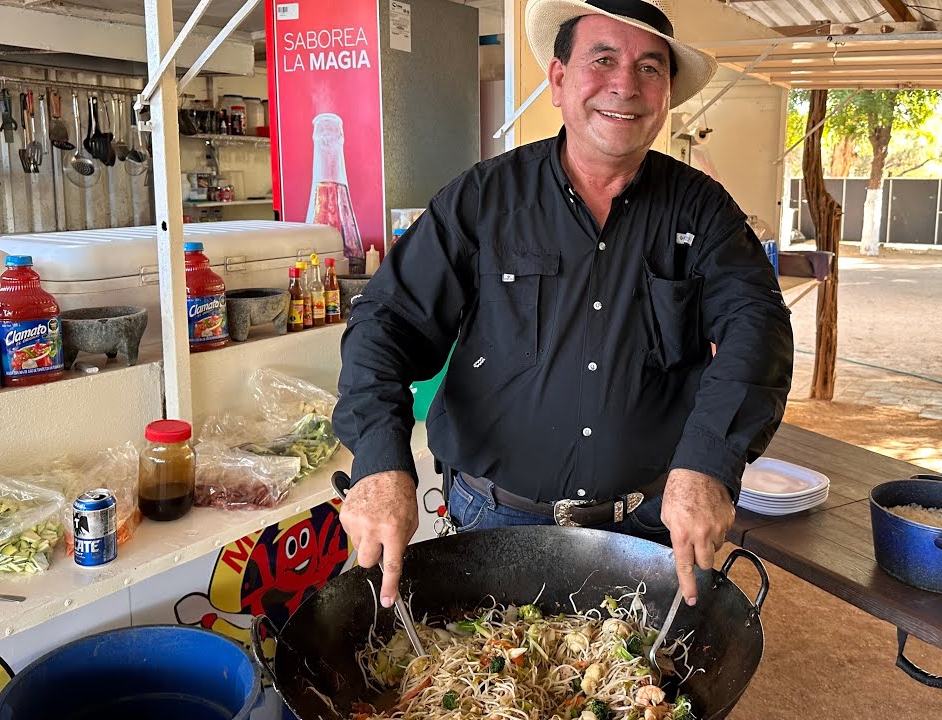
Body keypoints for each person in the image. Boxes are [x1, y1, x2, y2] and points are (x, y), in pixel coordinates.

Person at [334, 0, 793, 611]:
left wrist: (709, 462)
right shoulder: (482, 199)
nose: (625, 85)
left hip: (650, 524)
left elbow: (756, 330)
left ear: (667, 94)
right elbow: (386, 323)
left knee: (637, 692)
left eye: (650, 68)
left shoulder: (703, 212)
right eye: (602, 59)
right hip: (492, 520)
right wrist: (378, 462)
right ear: (557, 80)